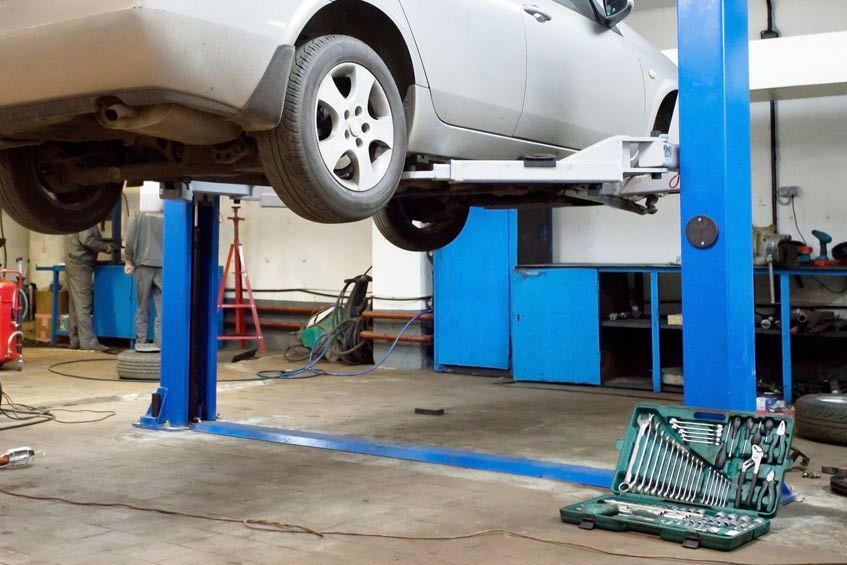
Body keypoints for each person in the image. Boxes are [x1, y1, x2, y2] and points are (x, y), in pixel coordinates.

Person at [125, 183, 164, 350]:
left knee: (142, 308)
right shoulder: (167, 213)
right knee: (162, 311)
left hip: (143, 266)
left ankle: (140, 344)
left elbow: (130, 238)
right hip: (164, 267)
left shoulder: (138, 213)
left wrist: (128, 260)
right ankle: (160, 345)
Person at [65, 226, 116, 351]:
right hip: (81, 265)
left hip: (74, 262)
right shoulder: (86, 219)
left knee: (75, 305)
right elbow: (87, 240)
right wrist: (106, 248)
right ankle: (88, 342)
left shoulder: (76, 217)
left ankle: (75, 339)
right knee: (83, 304)